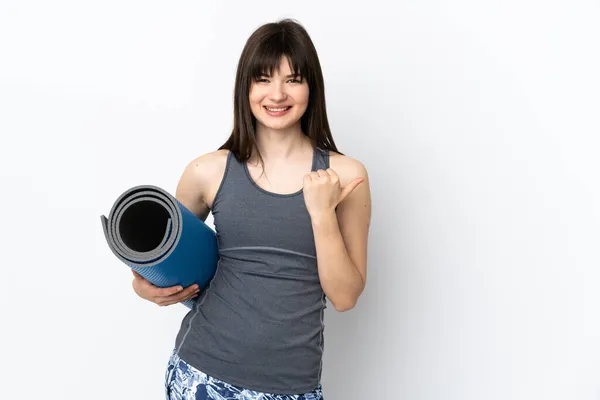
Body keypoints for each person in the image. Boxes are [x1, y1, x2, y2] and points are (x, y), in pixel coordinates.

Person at [131, 18, 371, 400]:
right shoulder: (207, 171)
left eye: (292, 79)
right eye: (263, 78)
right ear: (245, 87)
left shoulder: (346, 176)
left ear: (312, 87)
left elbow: (345, 298)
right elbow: (167, 256)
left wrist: (322, 215)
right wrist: (144, 286)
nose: (277, 94)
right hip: (201, 373)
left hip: (292, 387)